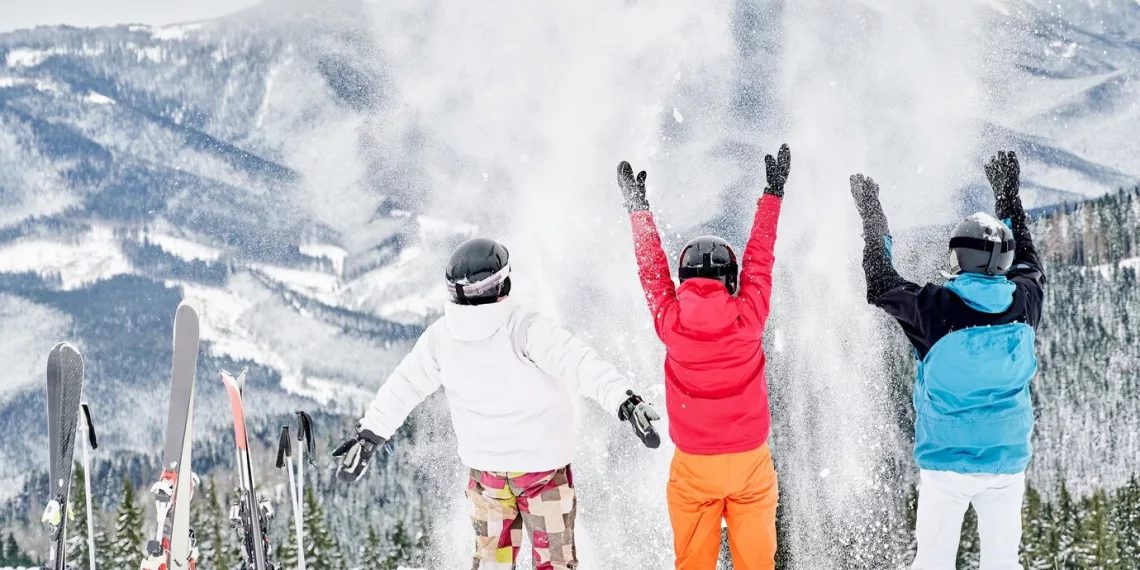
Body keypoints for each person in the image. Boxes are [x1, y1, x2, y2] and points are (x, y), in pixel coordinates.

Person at [332, 237, 662, 570]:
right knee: (555, 563)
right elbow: (579, 363)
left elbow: (404, 385)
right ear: (504, 282)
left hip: (488, 478)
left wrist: (370, 434)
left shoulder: (441, 337)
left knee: (493, 563)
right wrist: (625, 401)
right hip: (542, 475)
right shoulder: (526, 329)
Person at [848, 151, 1045, 570]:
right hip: (1007, 460)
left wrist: (872, 218)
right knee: (1003, 563)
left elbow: (880, 282)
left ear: (960, 258)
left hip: (947, 462)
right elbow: (1029, 259)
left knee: (933, 562)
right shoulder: (1025, 302)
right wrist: (1008, 197)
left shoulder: (935, 308)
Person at [615, 145, 791, 570]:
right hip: (750, 460)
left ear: (686, 278)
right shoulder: (748, 318)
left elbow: (652, 272)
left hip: (695, 465)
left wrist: (639, 212)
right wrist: (773, 195)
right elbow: (760, 260)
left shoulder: (671, 322)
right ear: (728, 278)